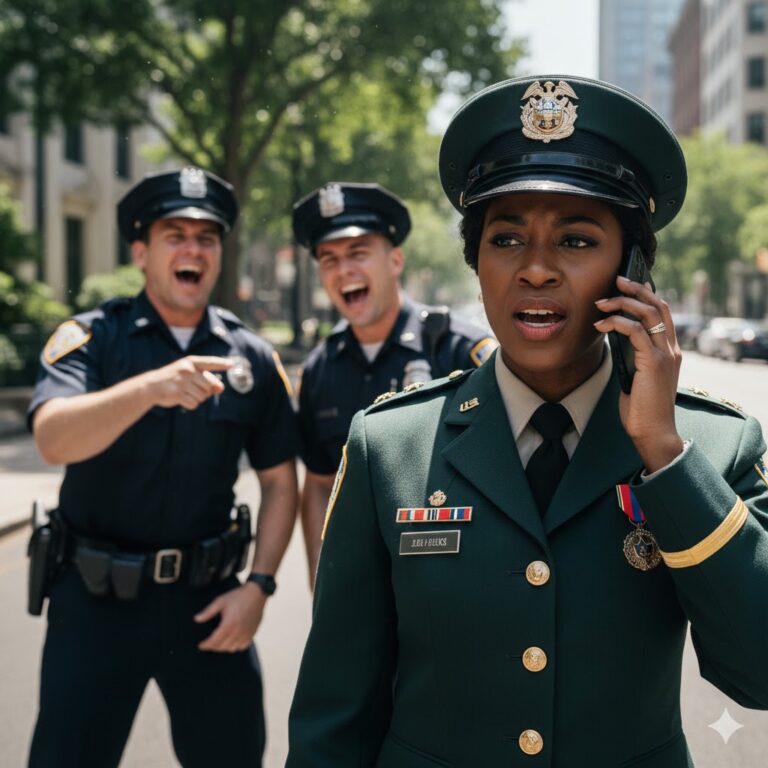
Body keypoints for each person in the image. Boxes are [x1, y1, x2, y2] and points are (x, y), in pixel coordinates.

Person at [286, 77, 768, 766]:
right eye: (506, 238)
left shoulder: (710, 446)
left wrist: (663, 454)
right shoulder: (389, 445)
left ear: (632, 272)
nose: (536, 270)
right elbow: (335, 713)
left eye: (576, 241)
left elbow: (759, 673)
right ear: (475, 265)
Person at [26, 167, 299, 768]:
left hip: (207, 603)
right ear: (142, 251)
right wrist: (149, 388)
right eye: (175, 235)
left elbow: (282, 480)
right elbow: (52, 437)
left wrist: (259, 587)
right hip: (94, 601)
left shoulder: (250, 357)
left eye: (207, 237)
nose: (193, 249)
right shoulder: (93, 339)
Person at [292, 182, 497, 582]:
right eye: (329, 259)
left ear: (395, 260)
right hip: (358, 587)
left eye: (358, 253)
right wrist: (323, 583)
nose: (343, 269)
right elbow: (317, 486)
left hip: (453, 580)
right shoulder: (320, 368)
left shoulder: (460, 350)